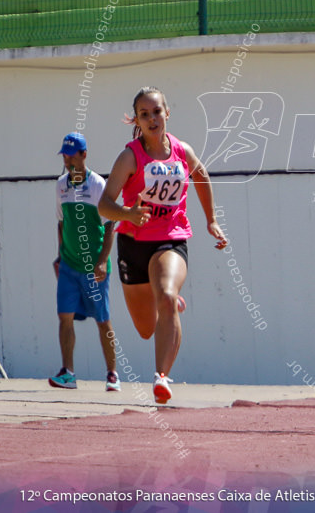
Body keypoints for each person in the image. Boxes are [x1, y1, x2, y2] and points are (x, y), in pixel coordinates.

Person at [99, 87, 227, 404]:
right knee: (145, 328)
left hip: (171, 236)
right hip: (133, 244)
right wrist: (128, 213)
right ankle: (167, 302)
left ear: (167, 113)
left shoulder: (182, 150)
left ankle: (161, 377)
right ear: (137, 121)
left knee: (167, 297)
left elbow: (201, 175)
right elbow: (104, 205)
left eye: (157, 111)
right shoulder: (130, 156)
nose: (152, 119)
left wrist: (211, 220)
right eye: (144, 114)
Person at [49, 132, 121, 392]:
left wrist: (102, 262)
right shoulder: (60, 185)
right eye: (65, 155)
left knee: (103, 320)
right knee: (64, 317)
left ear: (84, 155)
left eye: (72, 155)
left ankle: (112, 374)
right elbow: (61, 223)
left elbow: (110, 226)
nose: (67, 160)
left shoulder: (98, 185)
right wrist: (60, 255)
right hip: (69, 265)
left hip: (95, 269)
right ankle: (68, 373)